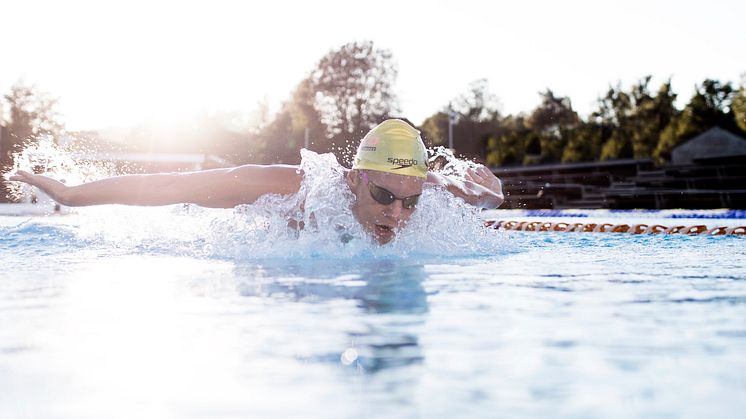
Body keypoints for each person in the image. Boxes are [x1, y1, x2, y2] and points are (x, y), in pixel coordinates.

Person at [10, 119, 504, 244]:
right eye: (384, 196)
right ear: (355, 179)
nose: (397, 215)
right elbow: (170, 188)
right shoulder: (296, 186)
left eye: (410, 203)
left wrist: (493, 197)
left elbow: (477, 197)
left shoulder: (425, 190)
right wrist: (72, 194)